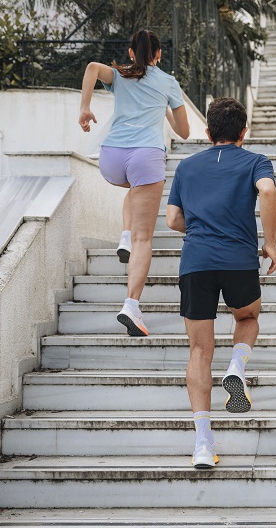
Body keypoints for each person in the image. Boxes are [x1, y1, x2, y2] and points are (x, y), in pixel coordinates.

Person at [165, 97, 276, 469]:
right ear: (243, 132)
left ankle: (202, 444)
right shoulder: (256, 161)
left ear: (207, 131)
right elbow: (267, 191)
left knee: (199, 351)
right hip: (238, 259)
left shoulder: (186, 167)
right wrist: (270, 243)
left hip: (196, 261)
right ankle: (236, 367)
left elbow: (172, 220)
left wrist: (203, 226)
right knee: (247, 317)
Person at [79, 29, 190, 337]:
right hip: (146, 155)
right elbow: (184, 132)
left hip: (111, 156)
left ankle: (124, 234)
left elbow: (91, 67)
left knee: (134, 189)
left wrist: (85, 108)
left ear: (131, 53)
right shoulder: (168, 82)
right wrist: (165, 109)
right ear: (159, 55)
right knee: (145, 238)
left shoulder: (119, 75)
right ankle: (131, 305)